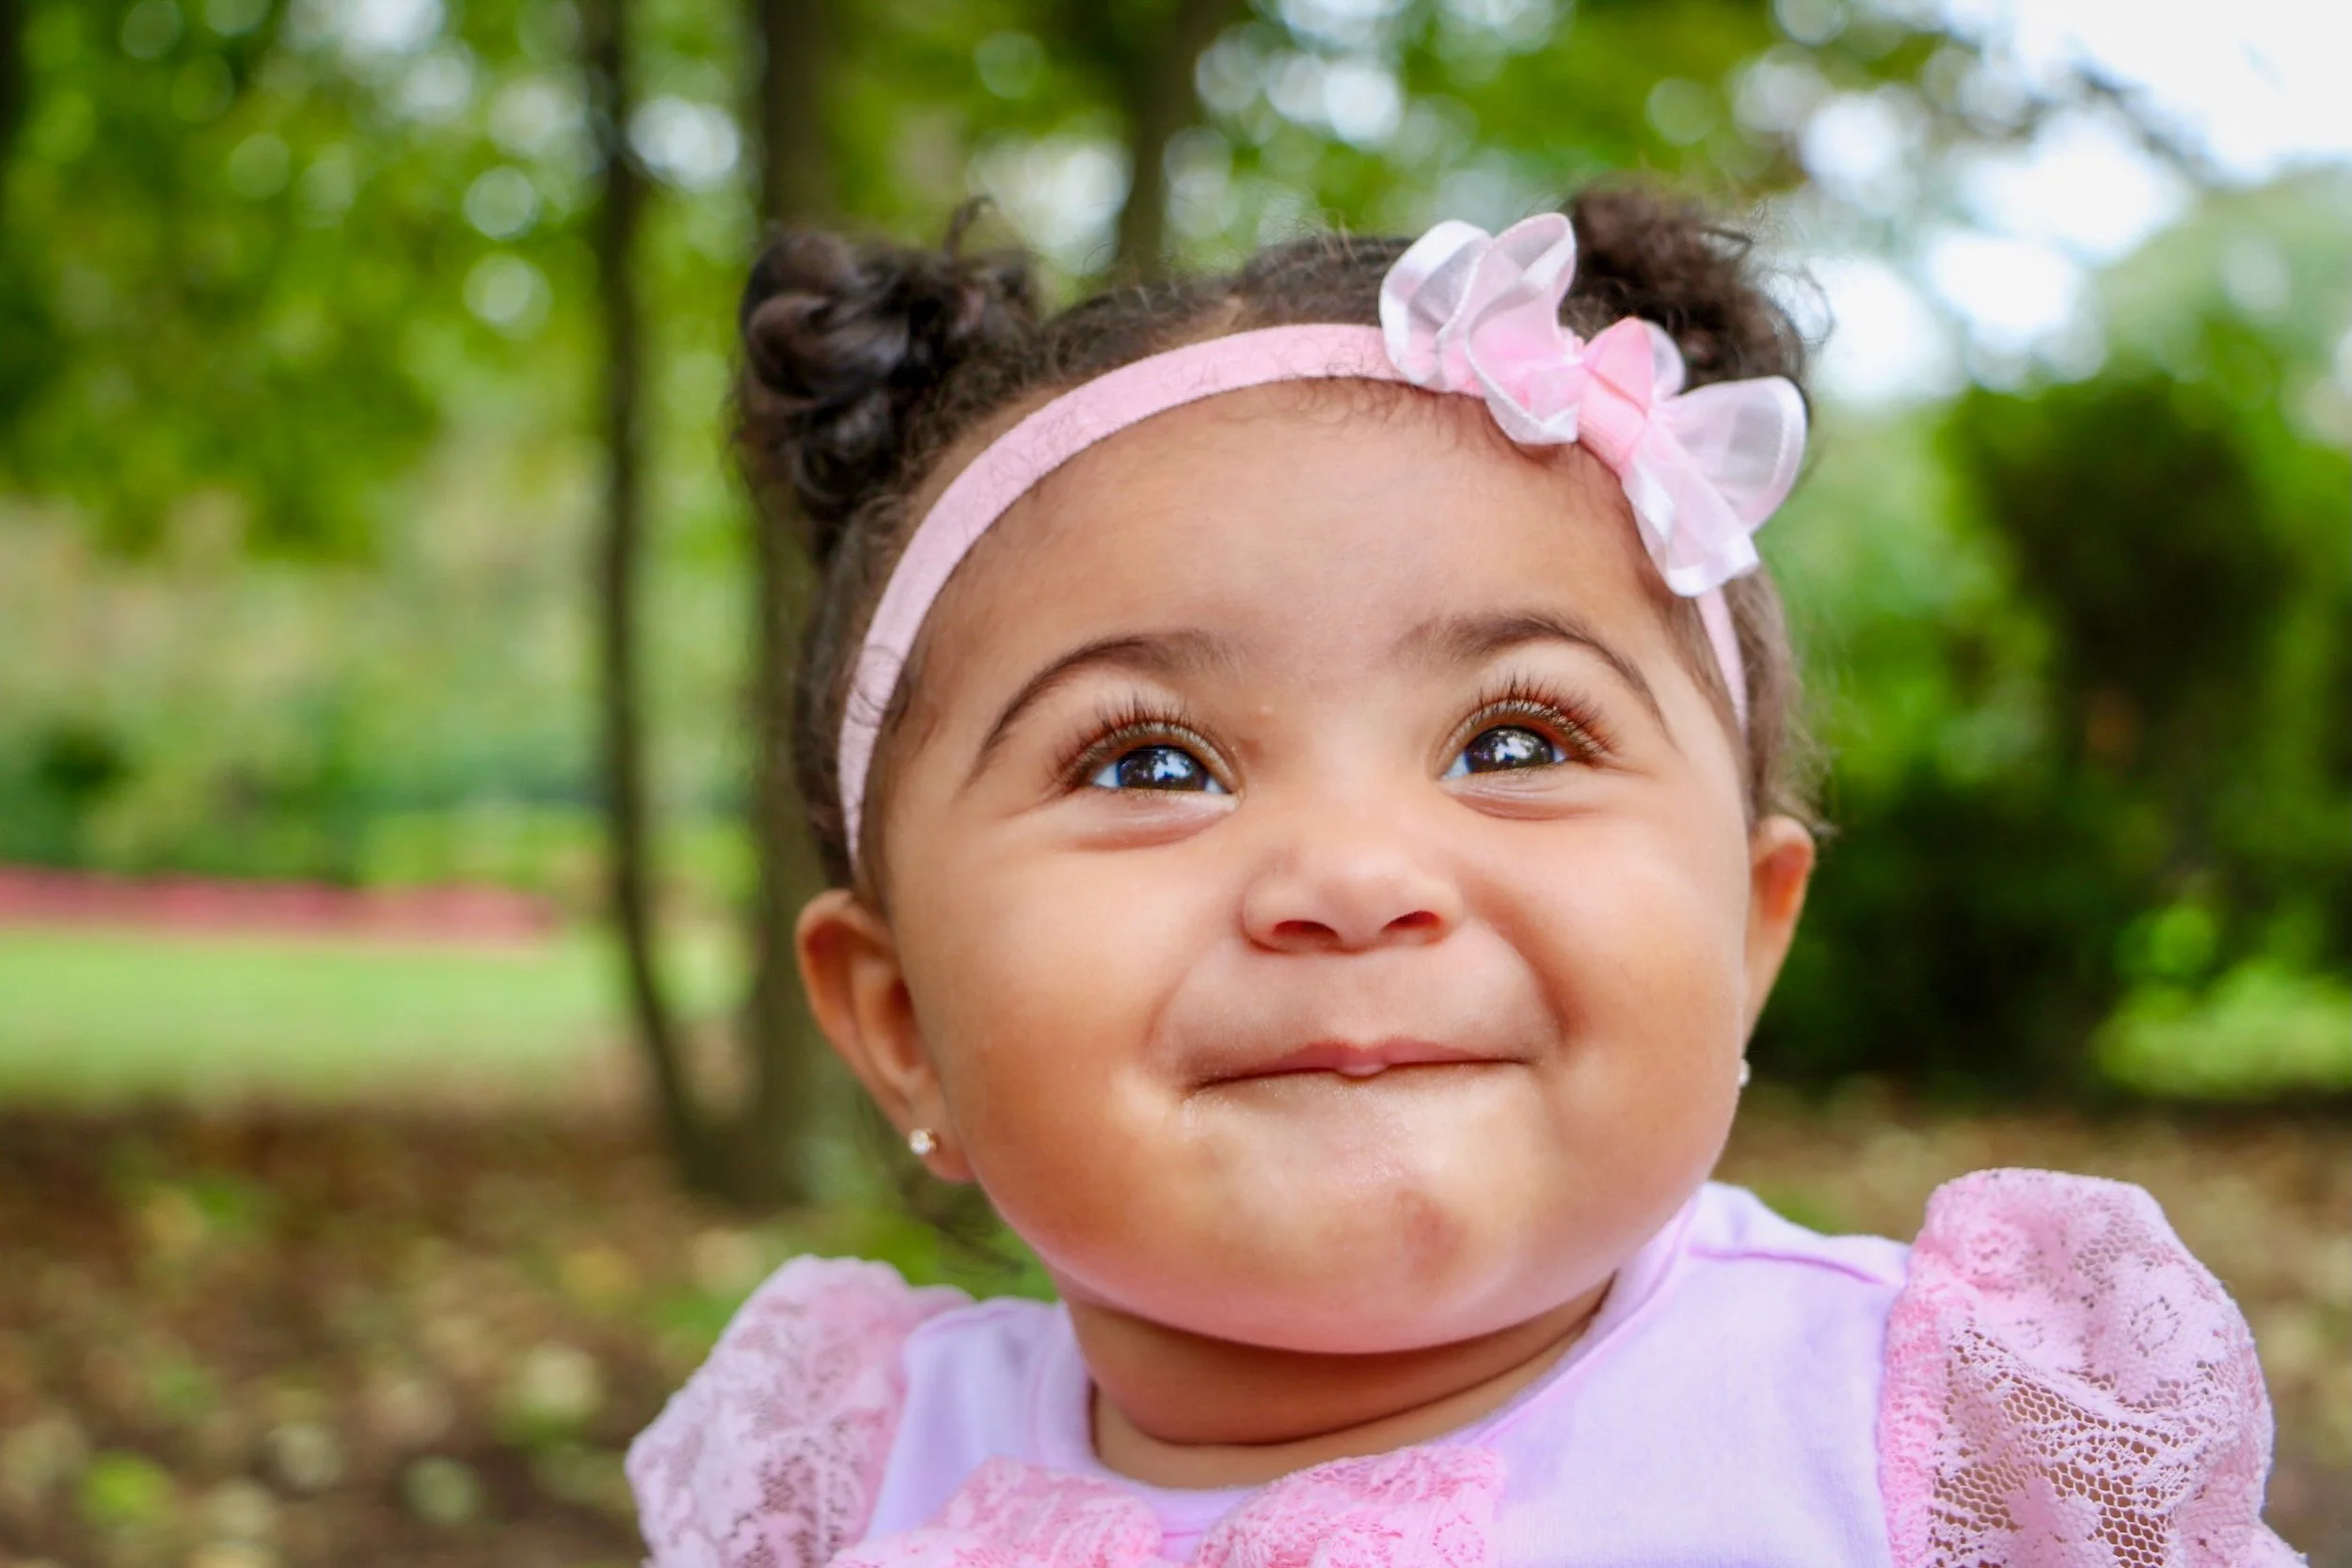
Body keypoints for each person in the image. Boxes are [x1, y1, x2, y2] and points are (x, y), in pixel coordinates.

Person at [625, 186, 2297, 1568]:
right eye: (1148, 763)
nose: (1353, 875)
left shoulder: (1934, 1457)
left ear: (1747, 929)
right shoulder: (847, 1475)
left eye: (1513, 741)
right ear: (899, 1016)